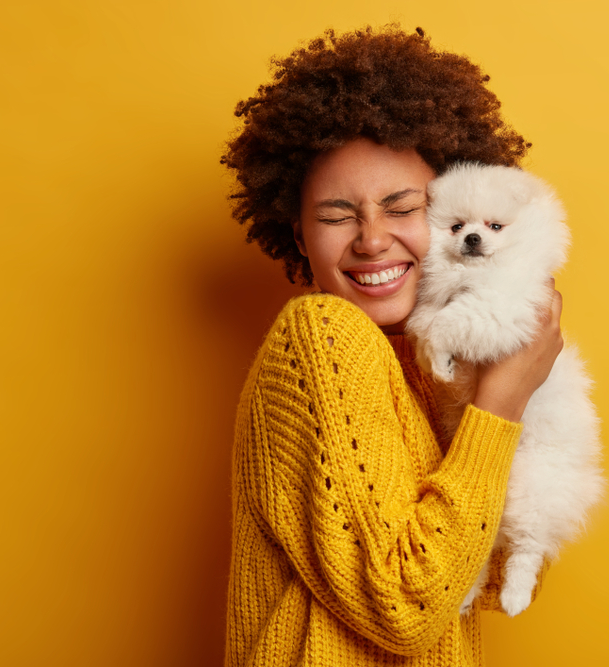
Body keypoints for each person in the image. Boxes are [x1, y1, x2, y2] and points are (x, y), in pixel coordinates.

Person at [221, 26, 564, 666]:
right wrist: (503, 404)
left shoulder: (421, 361)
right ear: (298, 236)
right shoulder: (322, 334)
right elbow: (407, 607)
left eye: (403, 208)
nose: (373, 240)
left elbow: (488, 582)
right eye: (335, 216)